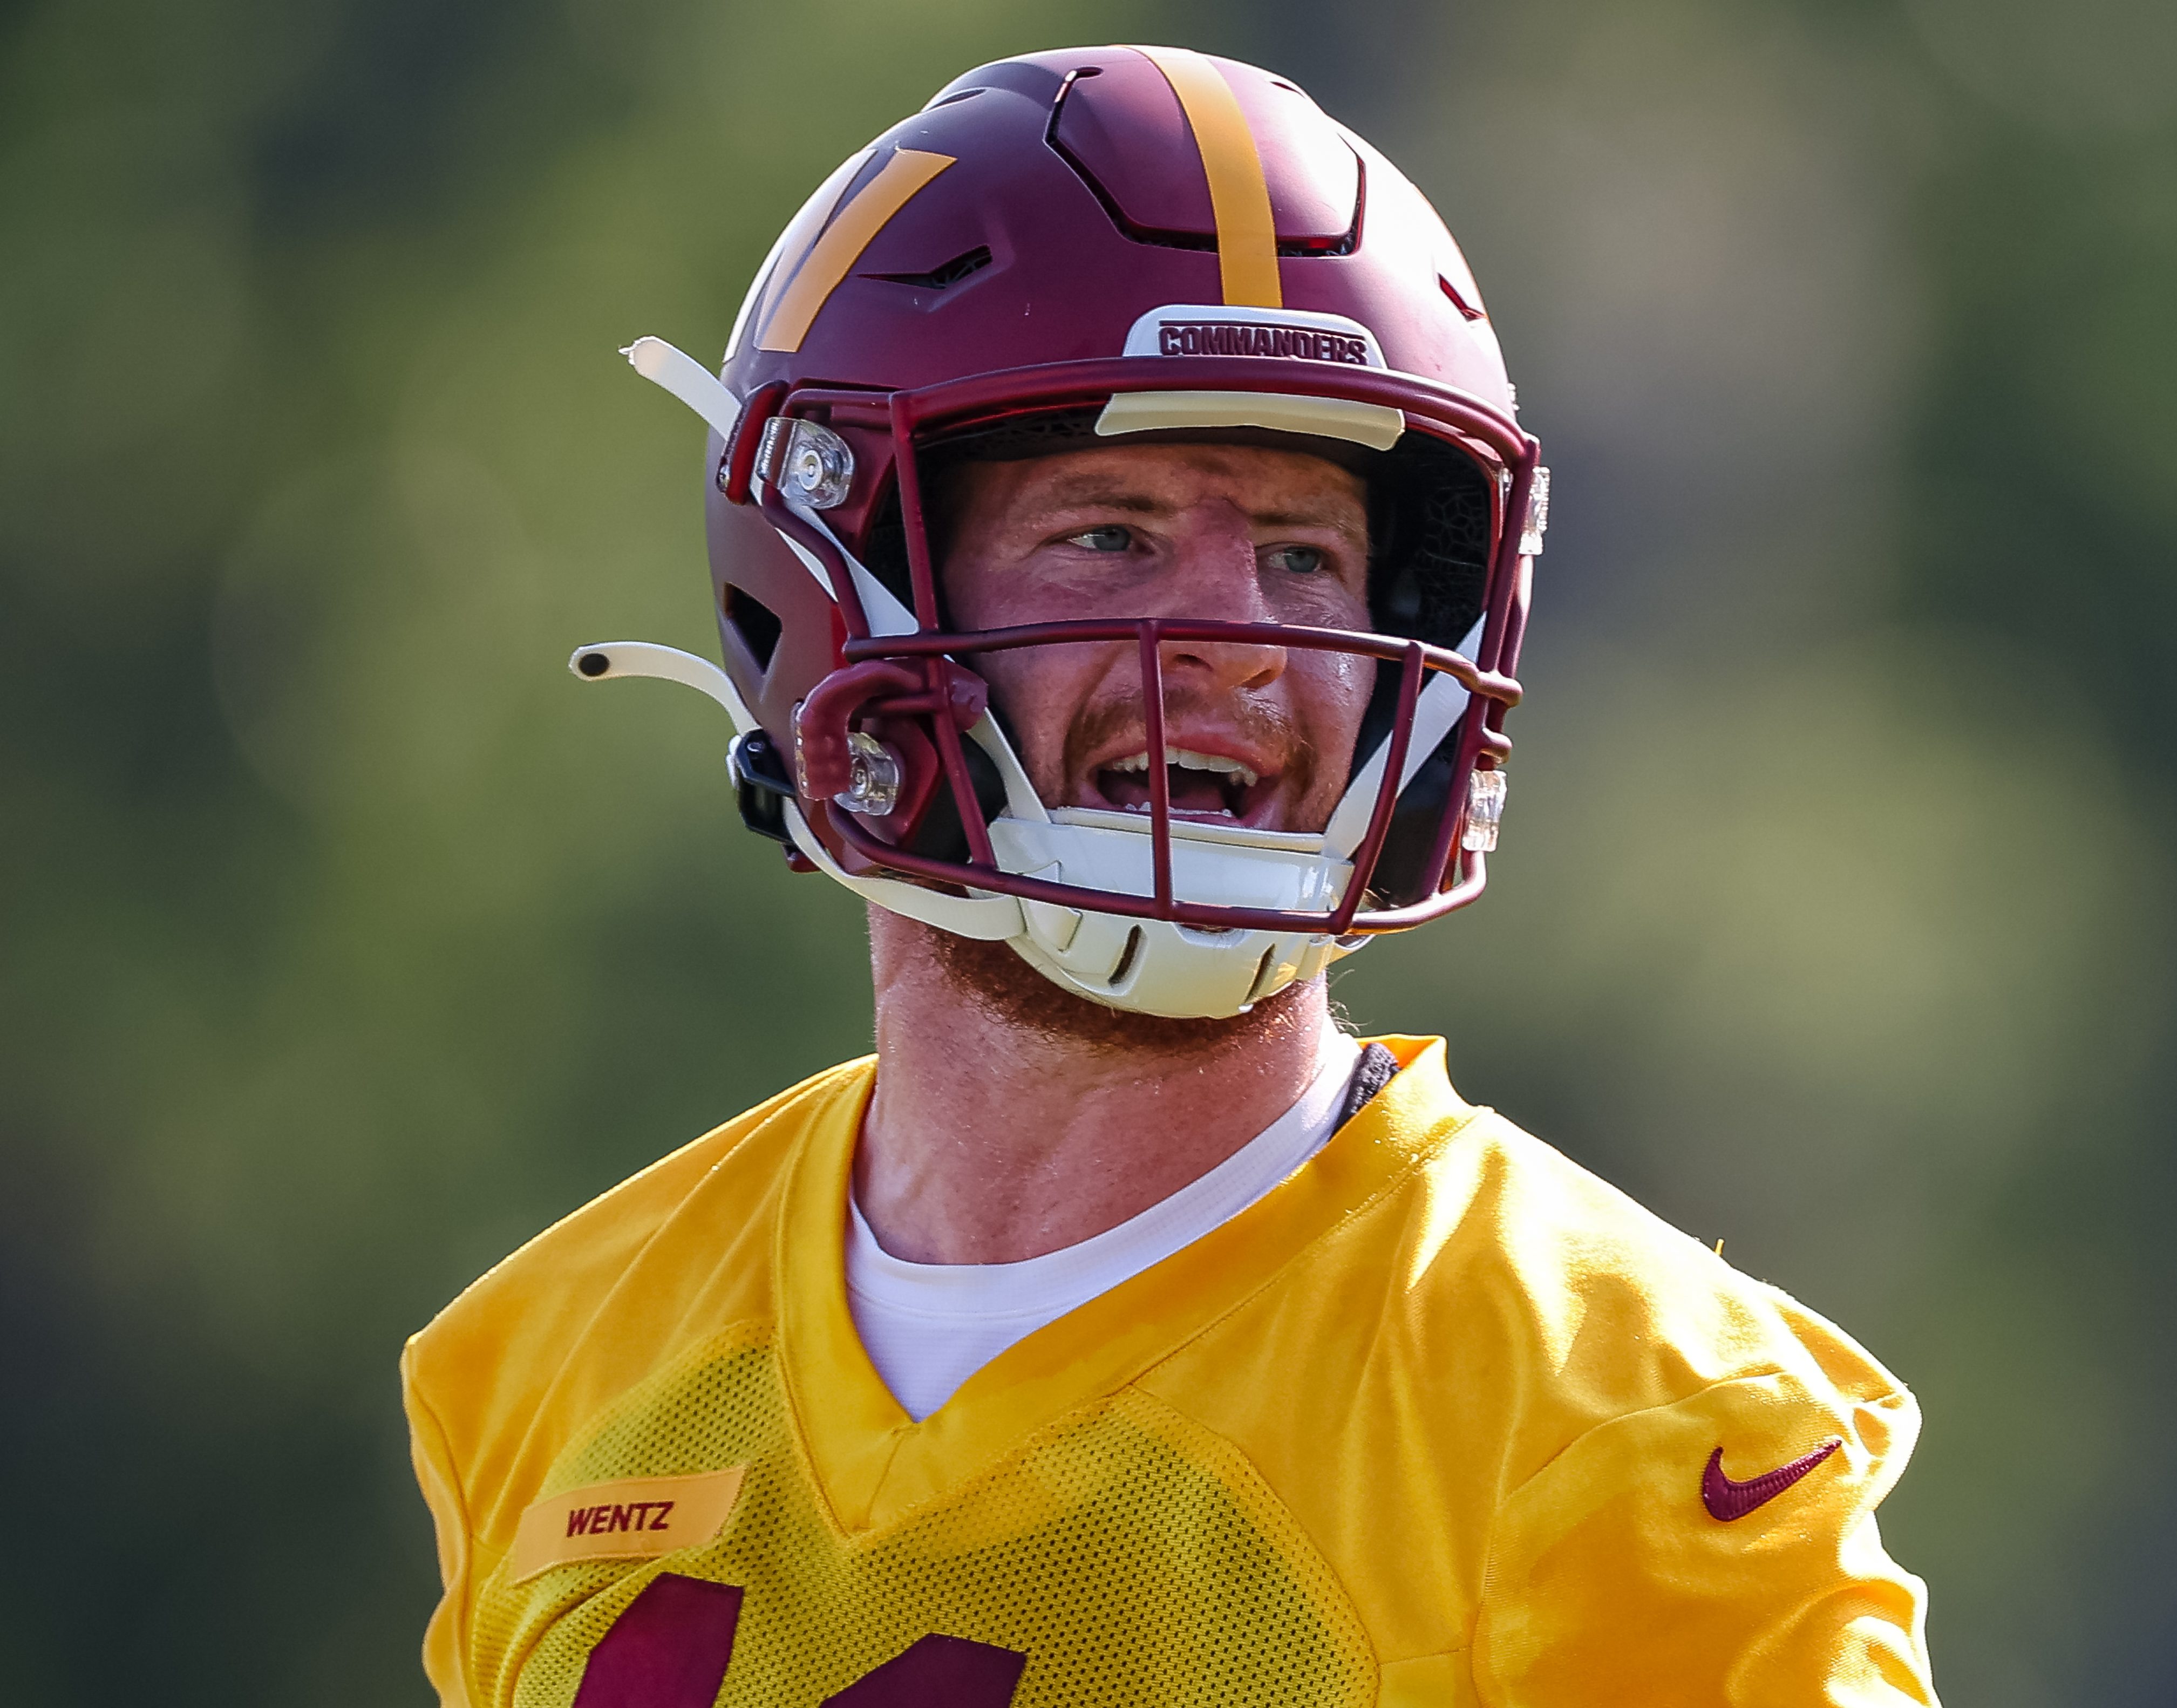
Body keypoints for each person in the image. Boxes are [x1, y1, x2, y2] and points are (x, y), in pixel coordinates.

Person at [401, 44, 1938, 1708]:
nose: (1238, 650)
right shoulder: (552, 1360)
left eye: (1302, 553)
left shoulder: (1628, 1423)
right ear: (843, 583)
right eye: (1110, 534)